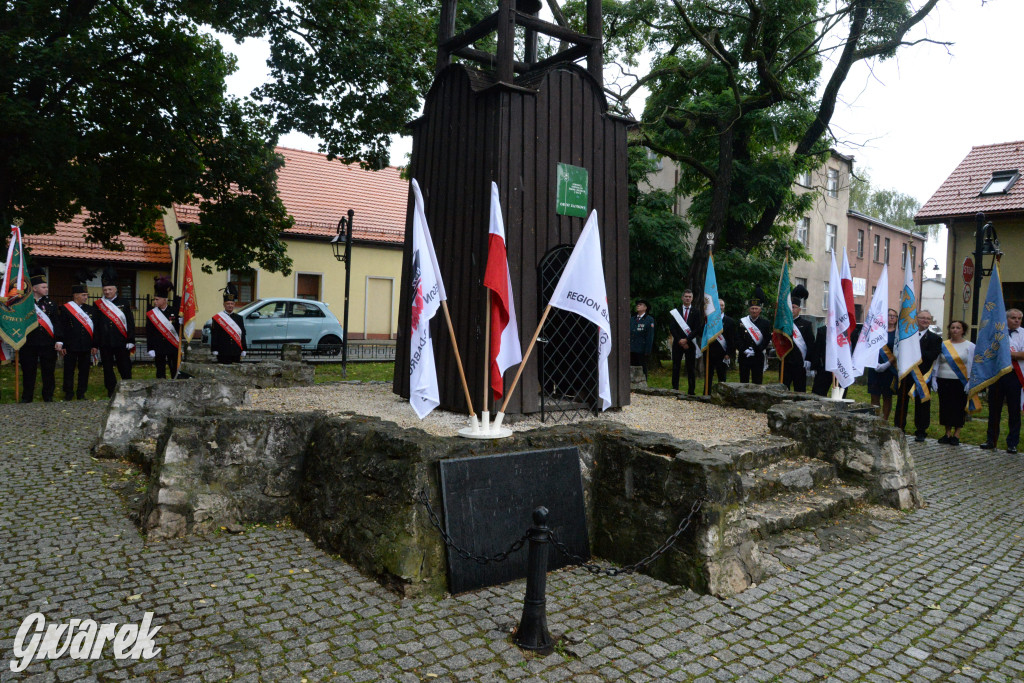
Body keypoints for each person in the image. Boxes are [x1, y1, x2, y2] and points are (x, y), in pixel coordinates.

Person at [894, 309, 942, 442]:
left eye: (928, 318)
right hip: (907, 373)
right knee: (902, 402)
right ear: (916, 319)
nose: (925, 320)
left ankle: (921, 431)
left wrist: (915, 350)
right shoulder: (908, 336)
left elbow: (932, 356)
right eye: (922, 318)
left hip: (923, 375)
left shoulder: (935, 338)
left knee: (923, 404)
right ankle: (899, 427)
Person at [980, 308, 1023, 454]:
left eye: (1019, 318)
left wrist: (1007, 354)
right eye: (1013, 318)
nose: (1016, 320)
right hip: (997, 375)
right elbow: (989, 351)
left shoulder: (1023, 334)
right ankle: (991, 440)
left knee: (1014, 411)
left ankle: (1012, 443)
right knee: (994, 410)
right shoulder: (998, 332)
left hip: (1014, 376)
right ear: (1006, 319)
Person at [18, 268, 59, 402]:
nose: (46, 289)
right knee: (29, 371)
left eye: (47, 286)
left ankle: (48, 396)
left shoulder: (51, 304)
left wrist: (59, 340)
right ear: (34, 288)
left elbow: (57, 323)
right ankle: (27, 397)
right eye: (43, 287)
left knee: (48, 371)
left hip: (47, 343)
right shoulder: (25, 304)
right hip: (28, 343)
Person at [931, 320, 975, 446]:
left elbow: (972, 364)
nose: (955, 330)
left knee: (958, 408)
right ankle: (947, 433)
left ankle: (957, 434)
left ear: (963, 330)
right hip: (943, 379)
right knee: (945, 407)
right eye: (952, 327)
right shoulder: (943, 345)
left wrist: (970, 381)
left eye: (958, 328)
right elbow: (937, 363)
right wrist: (934, 378)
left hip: (960, 381)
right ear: (949, 330)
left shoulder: (970, 346)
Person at [94, 266, 135, 397]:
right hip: (105, 342)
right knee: (107, 368)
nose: (107, 292)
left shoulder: (124, 302)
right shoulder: (99, 305)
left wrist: (130, 339)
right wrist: (96, 342)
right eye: (105, 290)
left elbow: (130, 323)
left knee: (124, 366)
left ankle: (128, 387)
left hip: (121, 341)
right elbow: (96, 324)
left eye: (109, 289)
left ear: (116, 289)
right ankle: (110, 390)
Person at [55, 277, 97, 400]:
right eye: (83, 295)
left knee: (84, 371)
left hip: (86, 345)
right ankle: (68, 393)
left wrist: (94, 345)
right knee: (69, 371)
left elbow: (95, 329)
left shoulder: (91, 310)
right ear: (76, 295)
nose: (86, 297)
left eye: (87, 295)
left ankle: (81, 393)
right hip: (70, 345)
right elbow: (61, 327)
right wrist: (62, 344)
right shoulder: (65, 309)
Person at [782, 284, 816, 393]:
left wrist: (808, 359)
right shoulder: (783, 323)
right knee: (783, 388)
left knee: (800, 389)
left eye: (794, 307)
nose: (791, 309)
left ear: (799, 309)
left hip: (799, 362)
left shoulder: (806, 324)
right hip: (785, 360)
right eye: (790, 307)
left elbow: (810, 344)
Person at [866, 309, 899, 420]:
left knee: (887, 396)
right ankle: (875, 419)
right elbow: (869, 347)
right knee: (874, 395)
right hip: (874, 367)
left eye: (894, 316)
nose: (892, 317)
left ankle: (884, 420)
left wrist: (888, 364)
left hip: (889, 369)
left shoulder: (897, 334)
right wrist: (873, 362)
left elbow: (899, 352)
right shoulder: (877, 331)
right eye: (889, 315)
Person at [146, 277, 180, 379]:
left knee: (174, 368)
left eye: (157, 299)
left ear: (164, 300)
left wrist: (181, 322)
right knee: (160, 370)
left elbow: (177, 329)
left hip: (172, 345)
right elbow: (149, 332)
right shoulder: (152, 314)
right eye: (154, 299)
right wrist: (150, 348)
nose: (155, 301)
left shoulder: (174, 311)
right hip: (158, 346)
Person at [736, 286, 771, 385]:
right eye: (752, 308)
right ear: (749, 310)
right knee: (743, 381)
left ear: (760, 310)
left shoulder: (765, 323)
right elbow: (737, 338)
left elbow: (766, 339)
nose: (754, 311)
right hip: (744, 355)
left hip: (758, 356)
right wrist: (744, 350)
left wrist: (756, 350)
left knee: (757, 381)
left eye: (756, 308)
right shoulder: (742, 322)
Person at [669, 290, 701, 394]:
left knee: (691, 368)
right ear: (682, 298)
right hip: (678, 343)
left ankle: (691, 391)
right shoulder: (676, 312)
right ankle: (675, 389)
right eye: (686, 296)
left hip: (690, 343)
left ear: (692, 298)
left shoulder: (696, 312)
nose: (687, 298)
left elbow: (697, 328)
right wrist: (680, 340)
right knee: (676, 366)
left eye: (689, 297)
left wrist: (687, 340)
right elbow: (672, 328)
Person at [211, 283, 247, 364]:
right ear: (224, 305)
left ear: (234, 305)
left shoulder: (239, 318)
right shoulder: (218, 318)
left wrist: (244, 349)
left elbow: (242, 334)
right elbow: (215, 334)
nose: (230, 306)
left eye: (232, 304)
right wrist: (214, 349)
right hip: (223, 350)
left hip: (236, 351)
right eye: (228, 304)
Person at [707, 298, 735, 390]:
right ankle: (706, 393)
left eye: (722, 305)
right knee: (708, 376)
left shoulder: (730, 321)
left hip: (722, 354)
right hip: (709, 352)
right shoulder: (708, 320)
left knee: (722, 377)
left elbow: (731, 340)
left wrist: (728, 353)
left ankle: (722, 396)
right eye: (719, 305)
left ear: (724, 307)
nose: (721, 307)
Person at [629, 299, 655, 379]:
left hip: (641, 349)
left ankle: (644, 384)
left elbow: (649, 336)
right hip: (632, 348)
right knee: (632, 367)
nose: (638, 306)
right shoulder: (632, 319)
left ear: (645, 307)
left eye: (640, 305)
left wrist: (647, 350)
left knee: (642, 368)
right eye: (637, 305)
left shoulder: (649, 320)